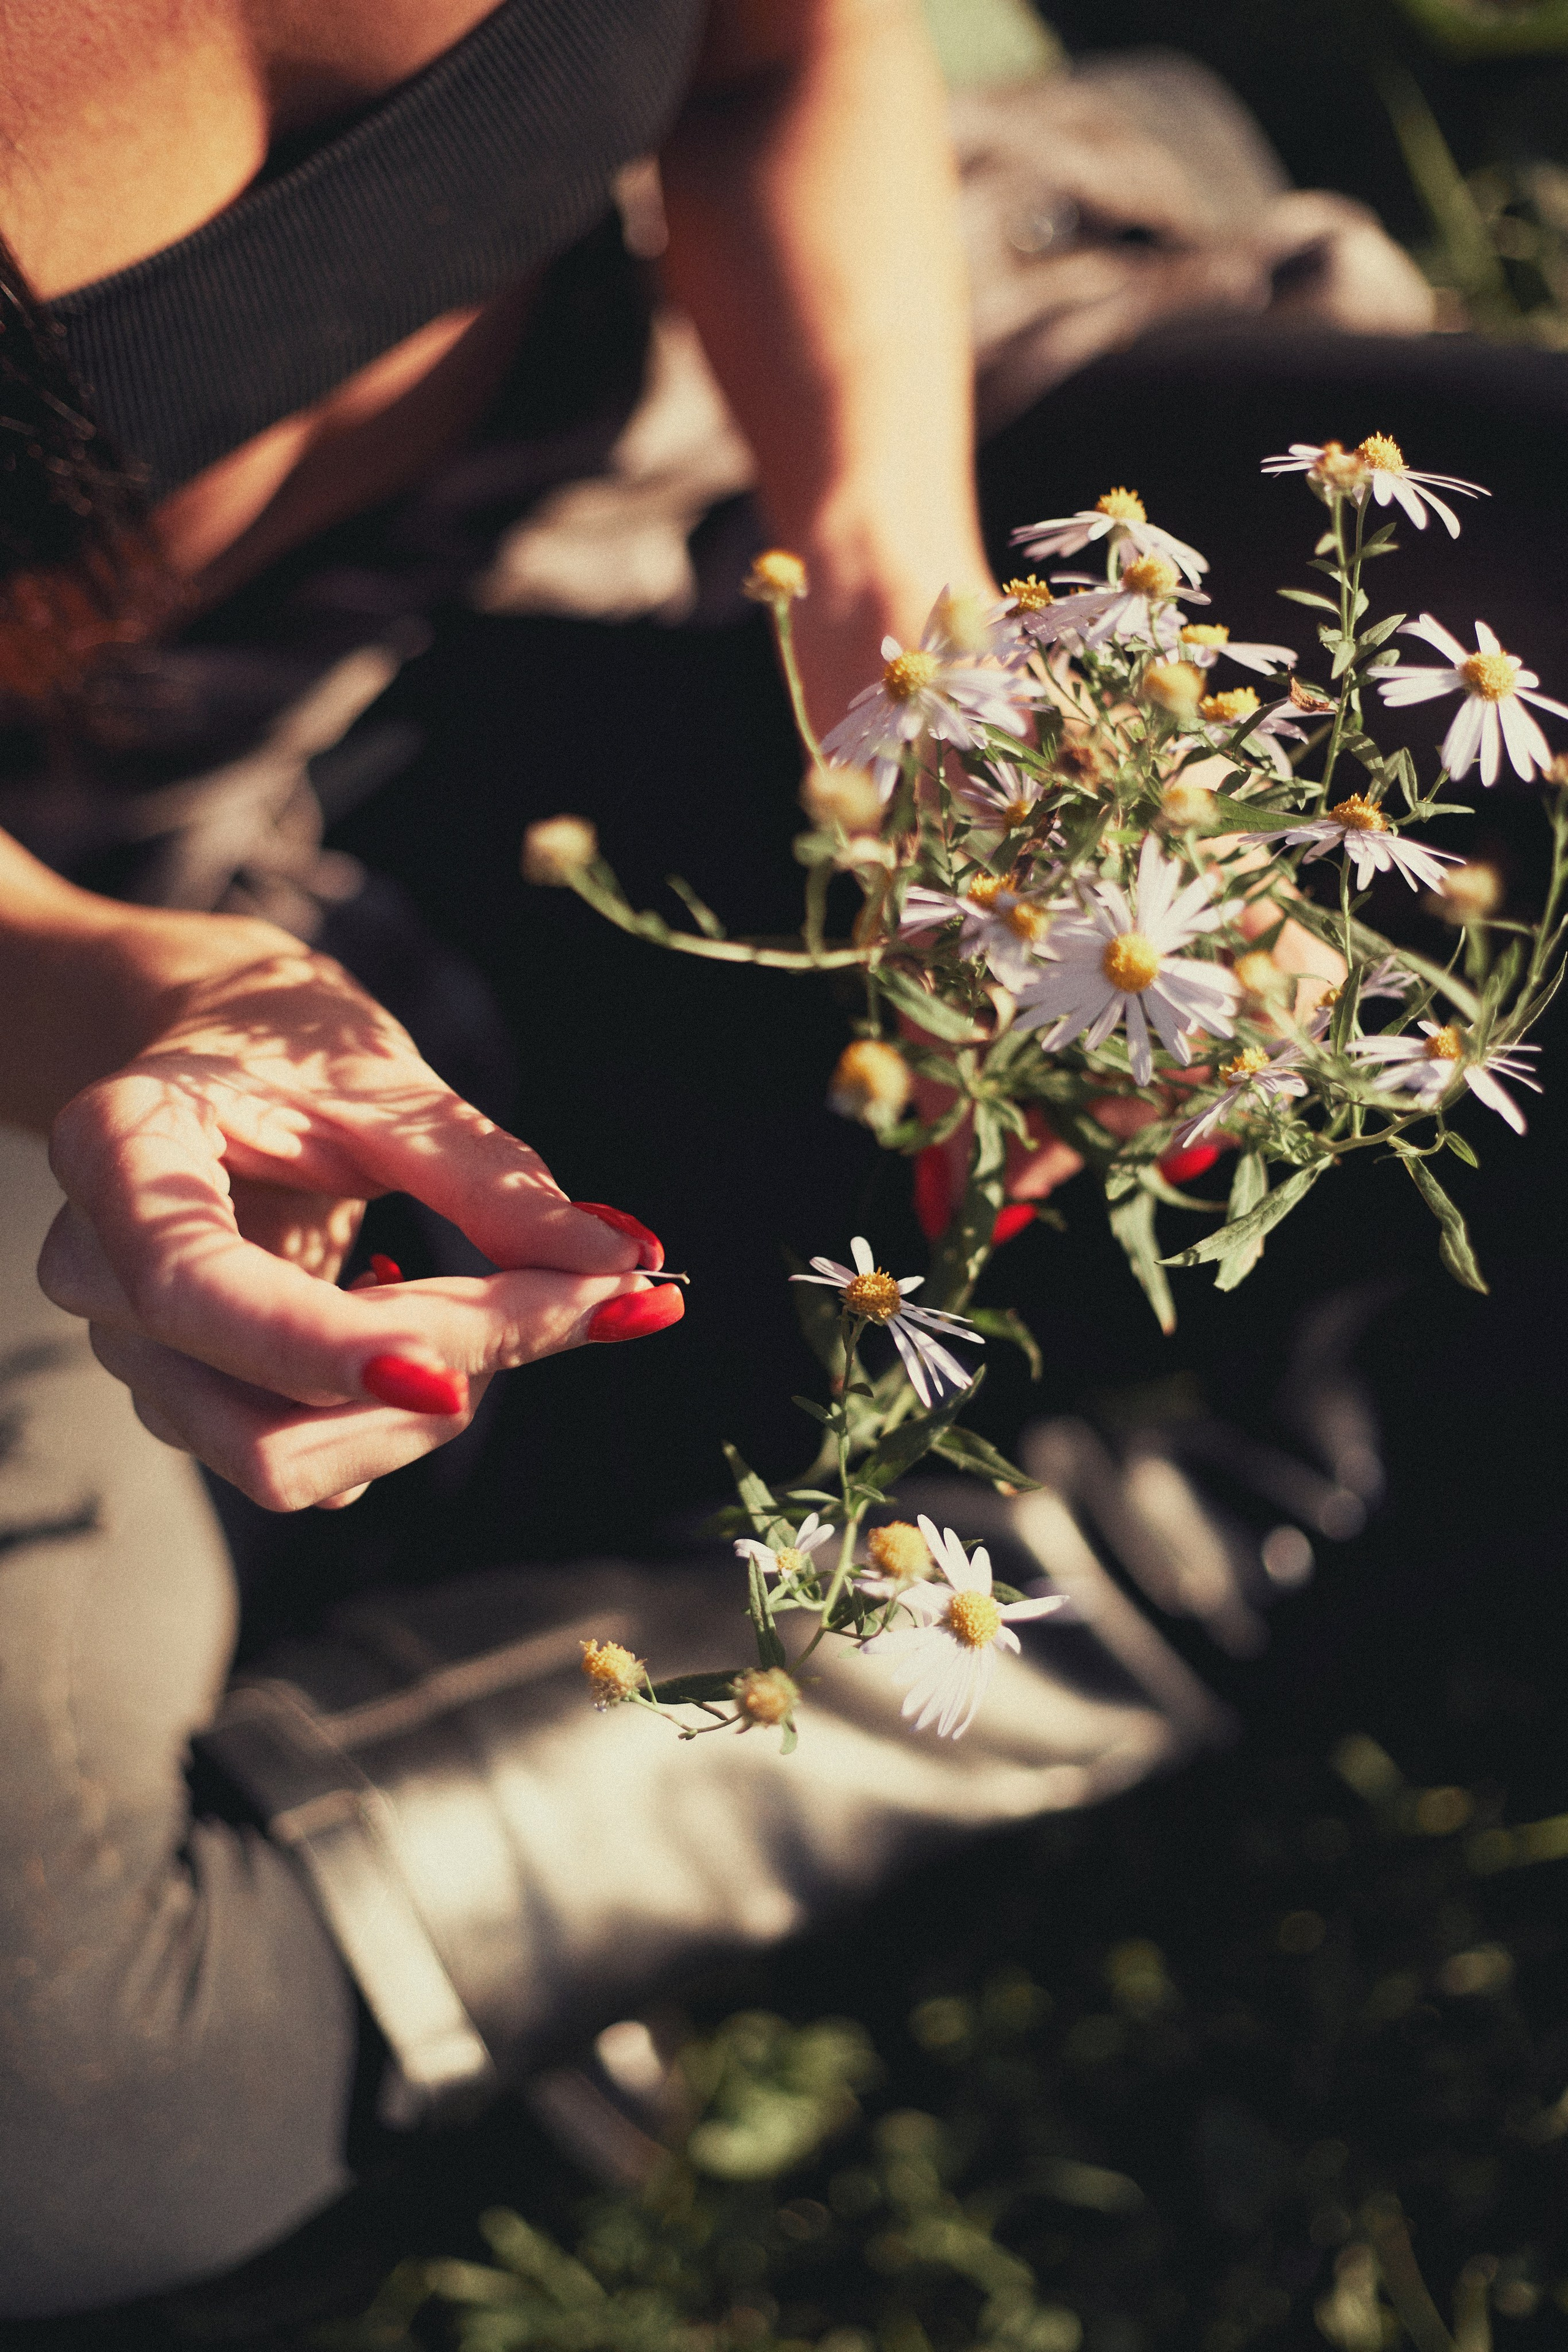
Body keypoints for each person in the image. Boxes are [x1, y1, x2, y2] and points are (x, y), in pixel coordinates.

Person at [0, 0, 1099, 2316]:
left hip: (630, 476)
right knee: (60, 2110)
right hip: (67, 917)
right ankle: (1144, 1563)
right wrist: (120, 990)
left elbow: (777, 56)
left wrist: (913, 647)